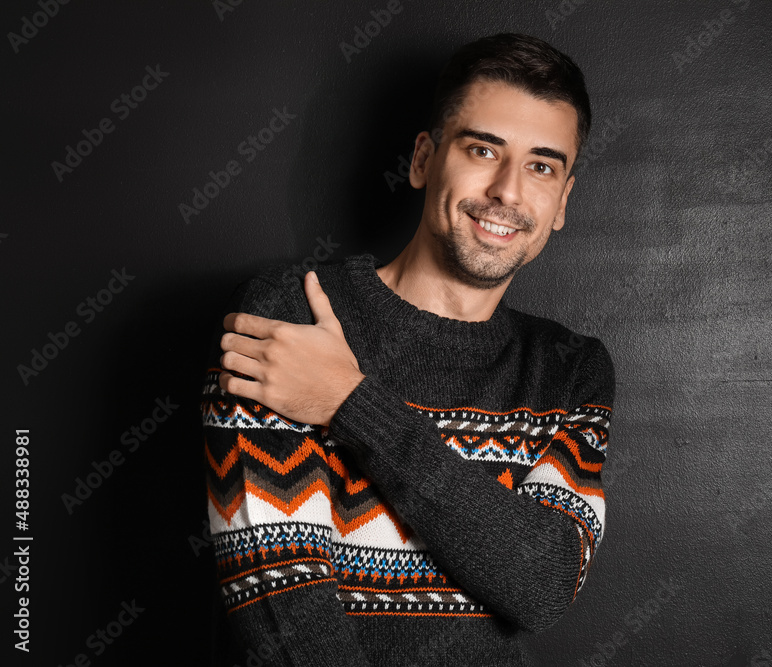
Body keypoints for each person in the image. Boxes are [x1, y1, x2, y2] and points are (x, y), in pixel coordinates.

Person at [200, 32, 616, 667]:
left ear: (562, 201)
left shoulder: (569, 369)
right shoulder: (294, 309)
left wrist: (349, 402)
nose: (508, 190)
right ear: (424, 159)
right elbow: (279, 600)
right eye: (483, 150)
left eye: (541, 166)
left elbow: (542, 585)